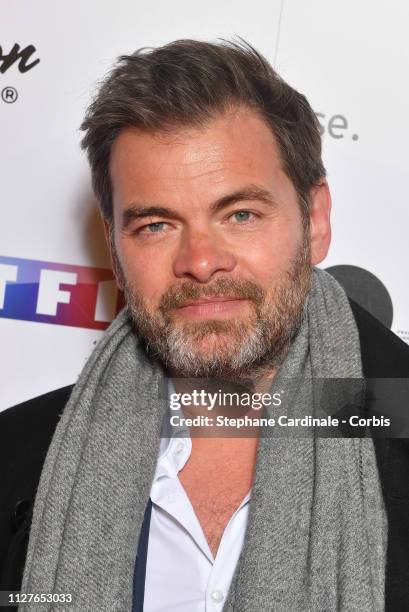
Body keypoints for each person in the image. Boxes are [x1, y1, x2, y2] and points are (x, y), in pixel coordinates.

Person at [1, 39, 409, 612]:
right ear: (115, 249)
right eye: (156, 225)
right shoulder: (16, 456)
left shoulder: (397, 432)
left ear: (315, 222)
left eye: (240, 214)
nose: (200, 260)